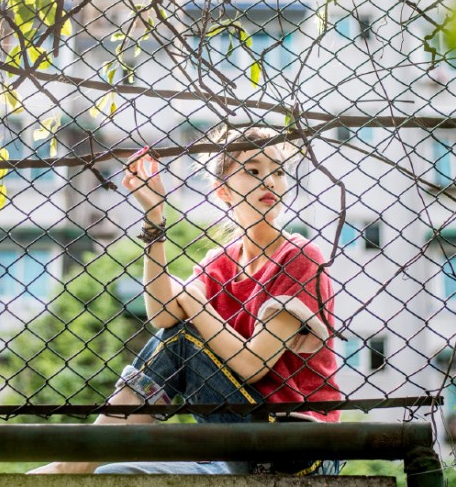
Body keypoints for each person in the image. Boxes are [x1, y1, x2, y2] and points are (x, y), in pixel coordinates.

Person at [28, 124, 342, 476]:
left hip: (299, 446)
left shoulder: (300, 256)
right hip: (237, 450)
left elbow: (255, 365)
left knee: (182, 340)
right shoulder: (219, 264)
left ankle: (71, 465)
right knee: (117, 475)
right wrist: (154, 216)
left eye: (279, 172)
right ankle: (84, 463)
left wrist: (195, 304)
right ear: (222, 190)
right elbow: (161, 315)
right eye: (253, 171)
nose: (271, 181)